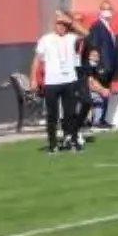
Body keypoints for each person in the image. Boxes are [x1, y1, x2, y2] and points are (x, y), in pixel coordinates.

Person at [31, 10, 88, 153]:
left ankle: (71, 139)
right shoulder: (46, 39)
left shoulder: (71, 38)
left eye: (64, 24)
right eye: (59, 24)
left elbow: (87, 34)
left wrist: (70, 21)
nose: (61, 27)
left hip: (69, 80)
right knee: (52, 115)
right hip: (52, 82)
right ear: (54, 24)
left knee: (70, 114)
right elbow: (37, 60)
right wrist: (33, 78)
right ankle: (53, 144)